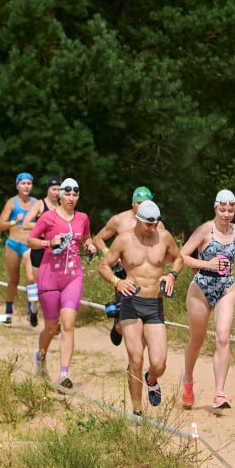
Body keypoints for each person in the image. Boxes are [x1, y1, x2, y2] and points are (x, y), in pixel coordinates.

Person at [98, 200, 179, 416]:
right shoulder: (124, 240)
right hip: (131, 304)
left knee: (159, 363)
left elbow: (178, 259)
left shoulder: (164, 237)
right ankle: (137, 410)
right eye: (148, 224)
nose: (153, 228)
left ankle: (151, 378)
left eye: (156, 224)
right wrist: (118, 282)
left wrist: (171, 275)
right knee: (135, 358)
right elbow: (103, 266)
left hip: (154, 305)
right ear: (138, 221)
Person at [179, 189, 235, 410]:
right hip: (201, 287)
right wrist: (207, 264)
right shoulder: (205, 230)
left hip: (226, 287)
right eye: (222, 209)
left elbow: (232, 251)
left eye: (230, 209)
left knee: (222, 337)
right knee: (197, 340)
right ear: (215, 207)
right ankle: (188, 380)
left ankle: (219, 393)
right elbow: (182, 256)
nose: (226, 213)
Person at [27, 178, 95, 388]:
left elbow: (86, 238)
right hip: (49, 277)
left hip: (73, 276)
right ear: (60, 195)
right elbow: (30, 240)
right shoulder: (48, 217)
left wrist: (90, 246)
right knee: (50, 327)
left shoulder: (82, 218)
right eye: (68, 194)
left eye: (75, 195)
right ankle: (41, 356)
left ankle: (64, 374)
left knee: (68, 325)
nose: (71, 198)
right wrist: (49, 242)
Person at [92, 186, 166, 346]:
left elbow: (162, 250)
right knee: (126, 320)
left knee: (145, 325)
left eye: (145, 202)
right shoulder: (119, 220)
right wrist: (109, 253)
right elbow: (98, 238)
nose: (141, 206)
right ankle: (118, 327)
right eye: (138, 202)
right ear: (133, 203)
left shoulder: (156, 224)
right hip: (123, 274)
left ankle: (136, 362)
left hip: (146, 282)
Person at [0, 172, 42, 325]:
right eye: (23, 183)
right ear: (17, 186)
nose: (26, 186)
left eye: (29, 183)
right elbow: (0, 226)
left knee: (30, 278)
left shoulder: (37, 203)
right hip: (13, 244)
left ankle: (31, 311)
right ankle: (8, 312)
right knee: (13, 280)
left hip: (29, 245)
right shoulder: (11, 202)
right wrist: (15, 222)